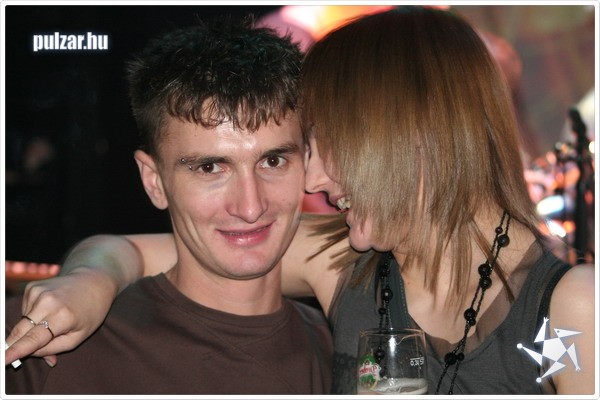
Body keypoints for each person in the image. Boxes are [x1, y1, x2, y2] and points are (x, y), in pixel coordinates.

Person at [6, 7, 594, 395]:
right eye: (211, 167)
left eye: (328, 145)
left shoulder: (574, 308)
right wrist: (87, 281)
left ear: (414, 139)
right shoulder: (346, 263)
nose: (311, 180)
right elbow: (135, 250)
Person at [4, 18, 334, 395]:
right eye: (210, 168)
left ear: (307, 161)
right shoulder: (40, 335)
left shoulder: (348, 352)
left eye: (273, 161)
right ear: (154, 181)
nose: (250, 206)